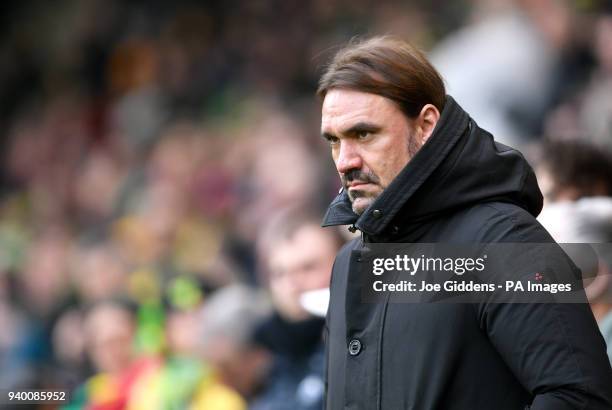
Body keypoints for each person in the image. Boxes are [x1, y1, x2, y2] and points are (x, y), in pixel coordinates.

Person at [317, 36, 612, 410]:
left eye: (363, 134)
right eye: (334, 140)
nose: (345, 161)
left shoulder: (504, 241)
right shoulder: (347, 264)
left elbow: (580, 398)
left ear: (425, 125)